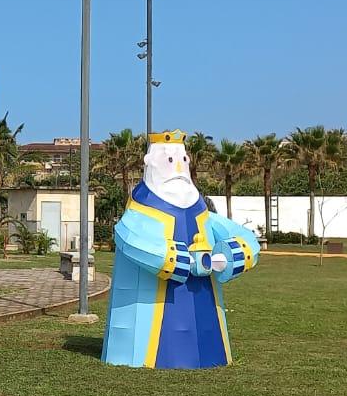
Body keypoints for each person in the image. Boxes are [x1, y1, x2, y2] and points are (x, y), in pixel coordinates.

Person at [102, 131, 260, 370]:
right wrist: (179, 260)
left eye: (182, 161)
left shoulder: (201, 212)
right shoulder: (139, 212)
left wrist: (228, 256)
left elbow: (244, 239)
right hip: (145, 317)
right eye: (169, 161)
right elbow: (129, 238)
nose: (178, 167)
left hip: (204, 303)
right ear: (150, 164)